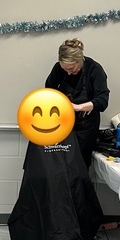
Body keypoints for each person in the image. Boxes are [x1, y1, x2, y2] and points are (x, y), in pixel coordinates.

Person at [44, 38, 109, 168]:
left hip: (85, 126)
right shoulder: (59, 69)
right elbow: (49, 91)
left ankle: (79, 189)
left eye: (72, 68)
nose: (68, 72)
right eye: (65, 69)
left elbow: (102, 100)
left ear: (79, 60)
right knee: (58, 165)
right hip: (62, 123)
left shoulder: (94, 69)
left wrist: (79, 107)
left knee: (80, 165)